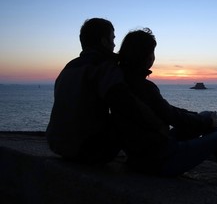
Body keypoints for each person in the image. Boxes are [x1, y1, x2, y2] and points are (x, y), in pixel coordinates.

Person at [117, 28, 217, 178]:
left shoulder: (122, 83)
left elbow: (165, 109)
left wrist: (200, 117)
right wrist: (207, 121)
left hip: (144, 155)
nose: (153, 57)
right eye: (151, 52)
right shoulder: (142, 87)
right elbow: (172, 116)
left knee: (206, 115)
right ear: (144, 56)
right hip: (158, 162)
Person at [46, 18, 162, 165]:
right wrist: (157, 124)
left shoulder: (68, 68)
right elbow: (125, 103)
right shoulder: (103, 67)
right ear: (104, 41)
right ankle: (150, 160)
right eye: (112, 39)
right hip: (86, 149)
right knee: (125, 116)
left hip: (57, 145)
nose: (114, 44)